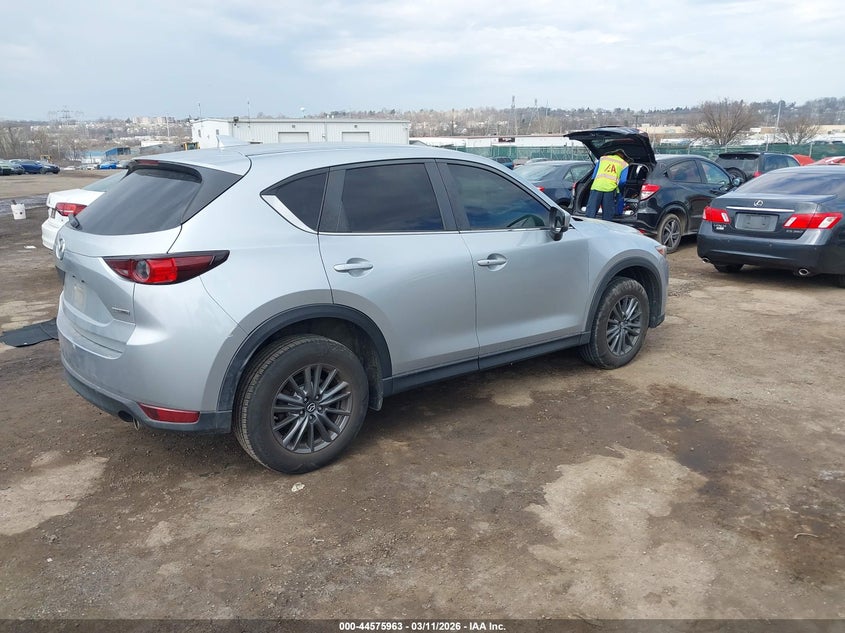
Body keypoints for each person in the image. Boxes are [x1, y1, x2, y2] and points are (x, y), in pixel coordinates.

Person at [585, 150, 629, 220]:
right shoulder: (624, 164)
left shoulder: (602, 159)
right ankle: (606, 229)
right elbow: (623, 181)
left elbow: (593, 176)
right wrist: (619, 191)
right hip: (610, 189)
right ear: (624, 157)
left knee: (590, 213)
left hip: (596, 187)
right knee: (607, 215)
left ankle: (588, 228)